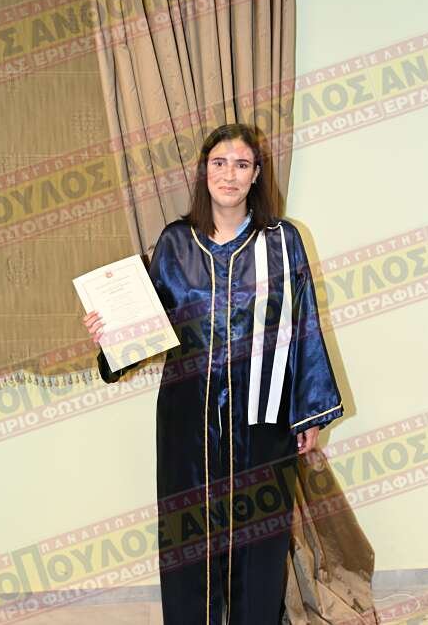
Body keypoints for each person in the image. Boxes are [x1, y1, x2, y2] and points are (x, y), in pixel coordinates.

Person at [83, 123, 343, 625]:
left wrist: (309, 412)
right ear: (204, 172)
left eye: (241, 164)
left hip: (263, 417)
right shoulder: (176, 243)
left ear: (256, 174)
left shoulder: (282, 241)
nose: (229, 174)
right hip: (188, 418)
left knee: (260, 539)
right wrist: (109, 333)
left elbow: (304, 322)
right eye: (219, 163)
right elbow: (147, 327)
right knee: (189, 539)